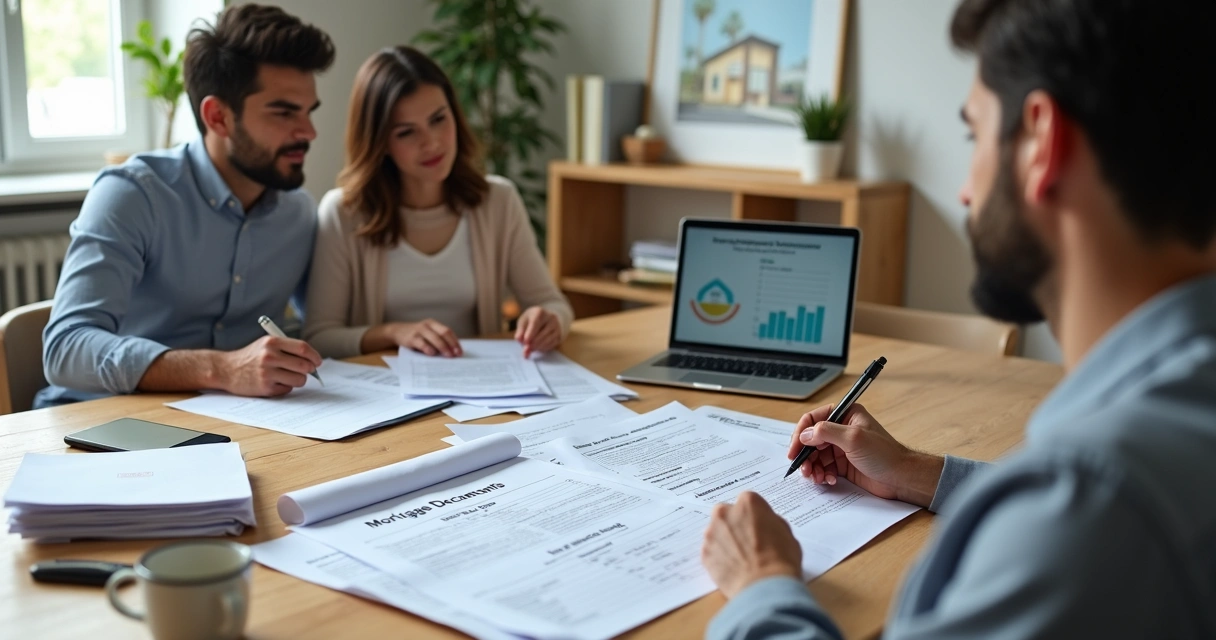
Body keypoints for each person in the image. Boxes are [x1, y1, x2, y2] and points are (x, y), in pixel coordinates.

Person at [701, 0, 1216, 637]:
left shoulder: (1095, 504)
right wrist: (917, 473)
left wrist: (761, 585)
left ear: (1039, 142)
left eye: (974, 137)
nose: (965, 192)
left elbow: (1079, 513)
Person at [38, 5, 335, 408]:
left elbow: (319, 326)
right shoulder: (133, 195)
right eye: (283, 112)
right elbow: (66, 350)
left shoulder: (297, 213)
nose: (309, 132)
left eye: (308, 112)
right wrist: (224, 369)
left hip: (237, 423)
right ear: (218, 117)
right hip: (102, 424)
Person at [303, 46, 572, 360]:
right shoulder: (342, 214)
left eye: (438, 119)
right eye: (406, 133)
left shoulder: (498, 201)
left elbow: (554, 304)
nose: (431, 143)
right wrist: (393, 332)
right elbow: (320, 337)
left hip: (484, 385)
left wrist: (549, 321)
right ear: (380, 143)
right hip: (387, 394)